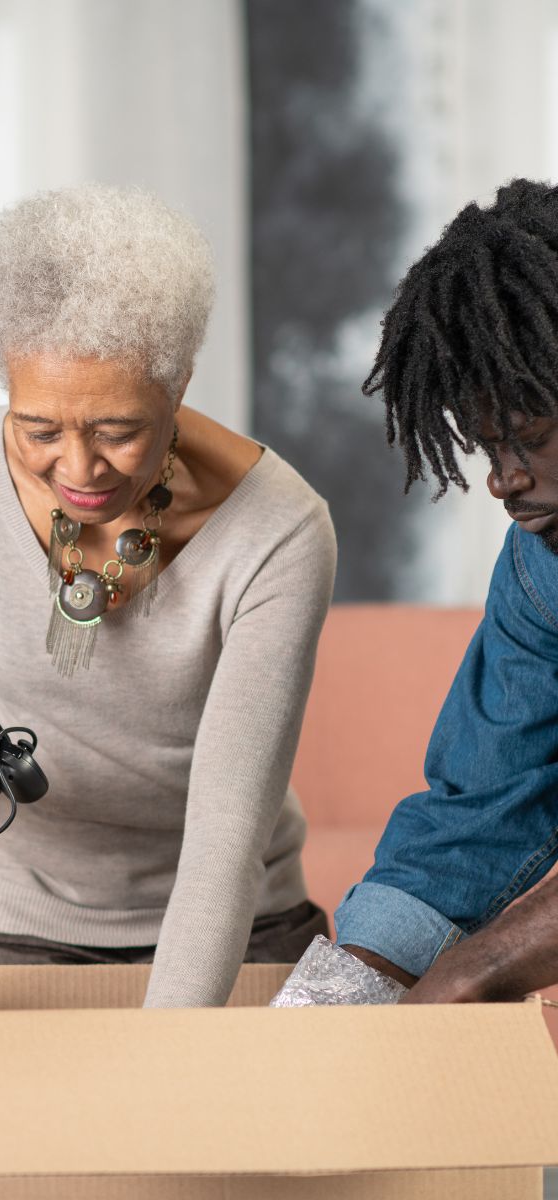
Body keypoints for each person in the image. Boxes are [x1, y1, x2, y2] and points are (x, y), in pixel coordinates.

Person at [0, 184, 336, 1007]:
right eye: (38, 429)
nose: (78, 471)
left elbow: (226, 838)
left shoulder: (281, 532)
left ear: (178, 382)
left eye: (118, 430)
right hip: (10, 911)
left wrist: (157, 1060)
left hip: (239, 918)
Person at [332, 178, 558, 1003]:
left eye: (530, 439)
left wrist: (473, 972)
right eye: (487, 446)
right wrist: (348, 989)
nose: (503, 480)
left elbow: (474, 972)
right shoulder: (542, 565)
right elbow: (478, 817)